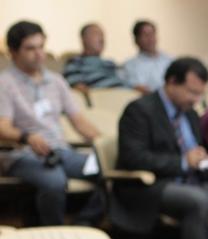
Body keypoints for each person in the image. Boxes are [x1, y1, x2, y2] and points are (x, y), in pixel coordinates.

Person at [115, 57, 208, 239]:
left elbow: (195, 151)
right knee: (197, 200)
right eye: (192, 92)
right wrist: (183, 162)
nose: (196, 99)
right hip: (151, 186)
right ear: (172, 82)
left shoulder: (190, 114)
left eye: (200, 93)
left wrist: (205, 158)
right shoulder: (140, 110)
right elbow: (133, 157)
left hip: (190, 180)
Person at [0, 20, 102, 226]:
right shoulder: (5, 83)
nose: (39, 54)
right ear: (13, 51)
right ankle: (53, 235)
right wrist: (26, 137)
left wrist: (102, 142)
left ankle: (82, 225)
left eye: (41, 47)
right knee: (55, 181)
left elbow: (79, 120)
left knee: (101, 168)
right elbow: (3, 127)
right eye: (30, 48)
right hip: (23, 155)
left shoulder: (56, 81)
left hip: (61, 152)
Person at [62, 23, 128, 92]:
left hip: (126, 95)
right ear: (83, 39)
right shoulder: (76, 63)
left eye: (102, 35)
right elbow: (77, 87)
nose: (101, 39)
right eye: (96, 34)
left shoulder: (110, 63)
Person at [120, 20, 173, 94]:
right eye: (145, 35)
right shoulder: (129, 66)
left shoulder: (170, 61)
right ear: (136, 40)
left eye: (152, 34)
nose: (150, 38)